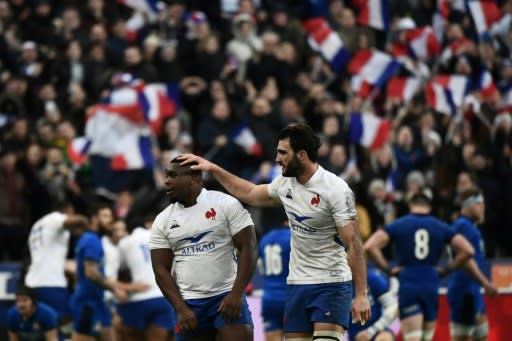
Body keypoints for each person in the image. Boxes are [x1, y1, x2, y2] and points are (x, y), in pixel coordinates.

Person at [179, 123, 371, 341]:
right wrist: (212, 168)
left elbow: (354, 244)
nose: (277, 159)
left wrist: (361, 294)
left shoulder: (336, 189)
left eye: (282, 153)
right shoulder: (285, 184)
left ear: (301, 155)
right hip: (297, 284)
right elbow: (250, 192)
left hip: (331, 283)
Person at [149, 157, 258, 341]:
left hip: (226, 297)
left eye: (172, 175)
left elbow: (249, 248)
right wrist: (181, 308)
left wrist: (237, 294)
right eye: (166, 175)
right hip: (189, 304)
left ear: (193, 178)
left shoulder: (225, 204)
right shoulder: (162, 220)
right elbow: (160, 270)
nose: (166, 181)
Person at [364, 189, 476, 341]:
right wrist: (447, 270)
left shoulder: (400, 224)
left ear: (411, 206)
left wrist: (388, 269)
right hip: (431, 282)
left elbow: (370, 246)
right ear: (429, 207)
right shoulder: (439, 225)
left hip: (408, 282)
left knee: (412, 338)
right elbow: (468, 250)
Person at [70, 204, 147, 341]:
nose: (110, 220)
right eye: (105, 216)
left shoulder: (92, 239)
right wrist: (116, 289)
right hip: (87, 304)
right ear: (94, 219)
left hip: (97, 302)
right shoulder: (92, 240)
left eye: (110, 216)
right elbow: (91, 273)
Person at [446, 188, 498, 341]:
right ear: (469, 206)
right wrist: (485, 283)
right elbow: (465, 259)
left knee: (482, 336)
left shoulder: (471, 227)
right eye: (480, 204)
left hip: (472, 289)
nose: (483, 208)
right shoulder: (463, 226)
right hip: (463, 290)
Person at [24, 201, 88, 324]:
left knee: (43, 326)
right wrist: (88, 228)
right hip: (50, 282)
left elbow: (46, 254)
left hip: (32, 282)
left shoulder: (37, 225)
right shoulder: (56, 218)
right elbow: (78, 221)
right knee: (65, 321)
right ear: (67, 211)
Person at [117, 216, 174, 341]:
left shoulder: (125, 242)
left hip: (138, 299)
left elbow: (121, 267)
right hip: (162, 297)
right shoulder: (160, 236)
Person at [257, 221, 291, 341]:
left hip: (269, 297)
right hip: (291, 297)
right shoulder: (294, 237)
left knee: (272, 336)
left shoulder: (265, 239)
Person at [348, 269, 398, 341]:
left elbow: (393, 307)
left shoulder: (372, 278)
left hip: (376, 331)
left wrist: (371, 331)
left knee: (384, 339)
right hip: (354, 336)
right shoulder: (336, 285)